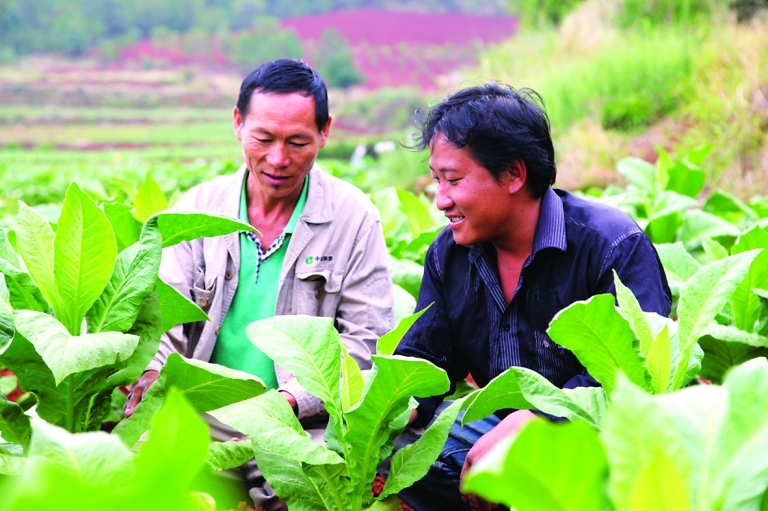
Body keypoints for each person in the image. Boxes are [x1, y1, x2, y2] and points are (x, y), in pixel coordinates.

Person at [124, 58, 395, 509]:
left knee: (318, 496)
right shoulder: (199, 209)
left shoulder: (355, 218)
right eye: (263, 138)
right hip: (204, 416)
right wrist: (153, 371)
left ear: (325, 132)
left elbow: (366, 343)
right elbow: (164, 322)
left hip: (303, 424)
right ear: (237, 123)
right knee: (140, 478)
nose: (278, 159)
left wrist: (289, 400)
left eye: (297, 142)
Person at [393, 83, 671, 511]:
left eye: (453, 180)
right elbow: (424, 365)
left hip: (601, 438)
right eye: (436, 181)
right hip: (501, 432)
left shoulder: (611, 245)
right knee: (397, 462)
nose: (441, 200)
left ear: (514, 175)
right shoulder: (449, 254)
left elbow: (636, 378)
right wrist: (385, 412)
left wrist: (540, 416)